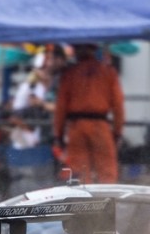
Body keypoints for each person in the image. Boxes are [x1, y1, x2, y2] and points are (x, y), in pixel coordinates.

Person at [53, 43, 125, 184]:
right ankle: (109, 201)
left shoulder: (70, 73)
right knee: (107, 173)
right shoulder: (108, 72)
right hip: (100, 126)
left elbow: (60, 107)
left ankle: (84, 204)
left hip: (76, 127)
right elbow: (118, 105)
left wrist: (58, 135)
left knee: (80, 173)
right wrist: (117, 132)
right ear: (93, 50)